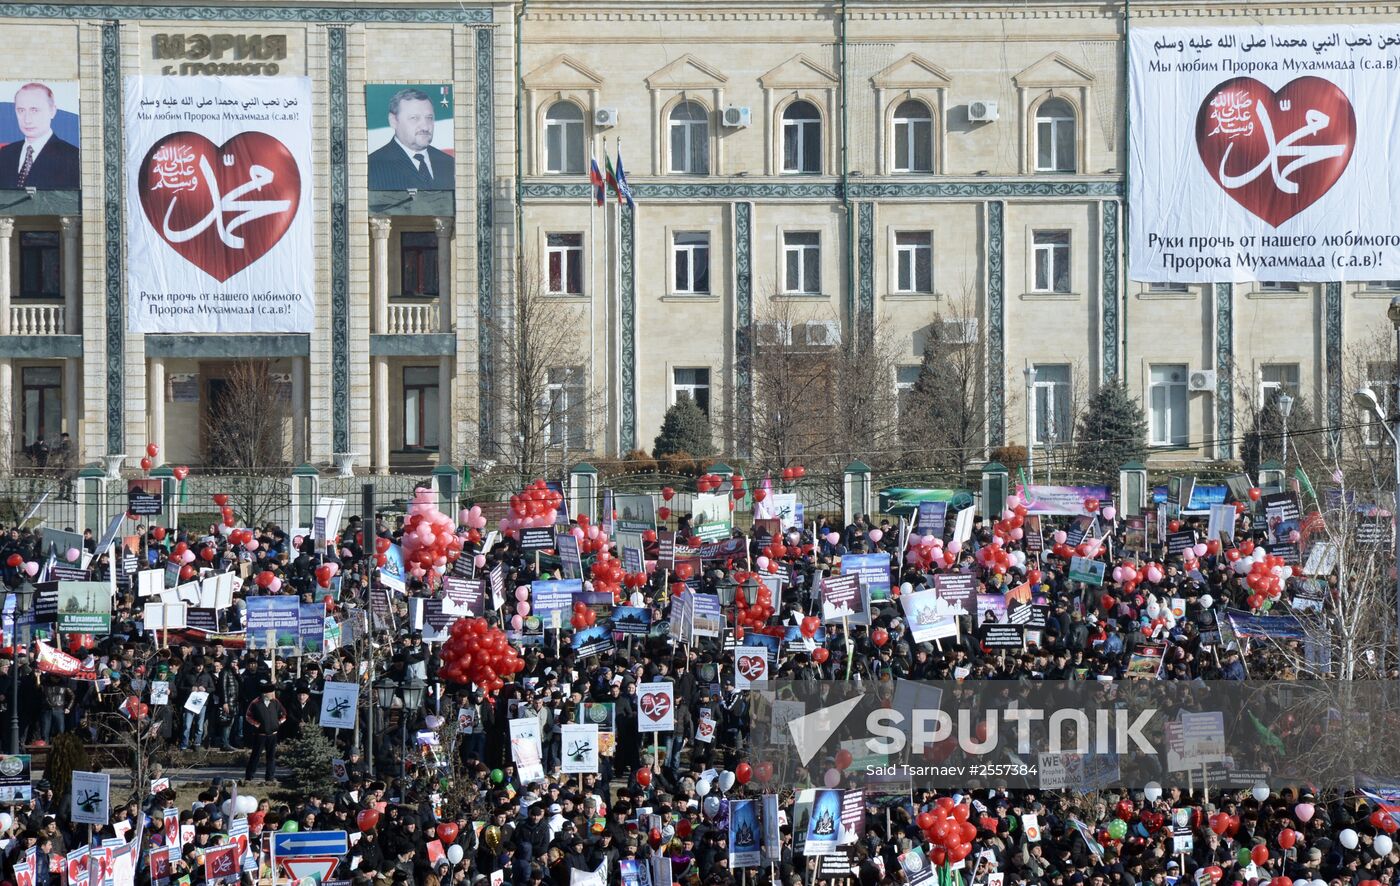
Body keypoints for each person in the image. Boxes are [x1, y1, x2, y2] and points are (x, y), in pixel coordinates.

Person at [367, 88, 454, 191]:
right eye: (414, 118)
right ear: (393, 121)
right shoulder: (372, 167)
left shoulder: (449, 163)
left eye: (429, 118)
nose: (425, 127)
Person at [0, 83, 79, 189]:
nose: (27, 119)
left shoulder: (72, 157)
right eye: (21, 110)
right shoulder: (5, 154)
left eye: (34, 110)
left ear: (52, 111)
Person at [244, 679, 287, 783]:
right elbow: (248, 716)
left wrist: (278, 723)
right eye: (271, 692)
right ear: (265, 693)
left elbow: (284, 714)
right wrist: (257, 725)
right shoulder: (255, 703)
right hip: (260, 735)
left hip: (273, 734)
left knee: (271, 757)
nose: (273, 694)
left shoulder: (276, 702)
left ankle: (270, 778)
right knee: (255, 756)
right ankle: (249, 777)